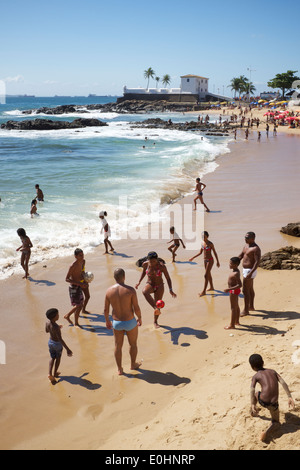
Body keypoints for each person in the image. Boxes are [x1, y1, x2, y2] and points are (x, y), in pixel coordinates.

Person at [249, 354, 295, 442]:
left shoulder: (256, 376)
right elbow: (283, 383)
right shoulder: (273, 371)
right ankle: (266, 432)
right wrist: (289, 397)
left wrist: (252, 404)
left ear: (252, 367)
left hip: (263, 401)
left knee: (256, 393)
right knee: (276, 422)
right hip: (274, 403)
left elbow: (252, 389)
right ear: (263, 362)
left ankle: (253, 411)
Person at [104, 268, 142, 375]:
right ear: (124, 276)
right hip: (130, 321)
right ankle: (133, 364)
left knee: (118, 346)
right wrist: (139, 317)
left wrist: (107, 321)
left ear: (114, 278)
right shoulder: (130, 290)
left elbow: (106, 309)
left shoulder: (109, 291)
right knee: (133, 344)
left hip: (117, 322)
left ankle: (120, 369)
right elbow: (136, 307)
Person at [136, 251, 176, 328]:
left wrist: (170, 289)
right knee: (145, 292)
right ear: (148, 259)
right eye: (151, 261)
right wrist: (139, 282)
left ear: (157, 260)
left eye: (154, 261)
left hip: (159, 286)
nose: (152, 263)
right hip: (150, 284)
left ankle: (155, 322)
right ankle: (155, 308)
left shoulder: (162, 266)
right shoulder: (145, 264)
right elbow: (144, 272)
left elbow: (168, 278)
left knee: (159, 304)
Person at [45, 308, 73, 384]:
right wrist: (68, 349)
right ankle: (55, 373)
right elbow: (60, 339)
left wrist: (56, 328)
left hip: (50, 342)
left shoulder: (47, 322)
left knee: (52, 357)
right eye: (57, 315)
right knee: (58, 358)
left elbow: (47, 331)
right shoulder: (56, 327)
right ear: (54, 317)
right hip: (57, 344)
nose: (58, 316)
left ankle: (49, 374)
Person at [189, 231, 220, 297]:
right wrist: (193, 257)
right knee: (208, 274)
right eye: (202, 236)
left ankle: (203, 292)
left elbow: (215, 252)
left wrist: (217, 261)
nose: (203, 238)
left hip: (210, 260)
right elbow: (200, 252)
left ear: (207, 236)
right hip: (205, 261)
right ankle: (211, 287)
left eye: (204, 236)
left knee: (205, 275)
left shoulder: (210, 244)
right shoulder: (202, 243)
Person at [238, 232, 261, 317]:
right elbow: (241, 255)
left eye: (247, 238)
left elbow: (257, 262)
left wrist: (250, 273)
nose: (245, 239)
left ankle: (246, 310)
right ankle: (251, 306)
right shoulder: (246, 246)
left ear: (253, 238)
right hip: (246, 270)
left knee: (245, 290)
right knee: (250, 288)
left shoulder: (256, 249)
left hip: (250, 270)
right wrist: (235, 261)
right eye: (245, 237)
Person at [64, 248, 87, 327]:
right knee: (78, 305)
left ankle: (76, 322)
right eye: (80, 255)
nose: (82, 256)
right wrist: (79, 283)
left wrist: (85, 280)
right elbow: (67, 279)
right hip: (73, 287)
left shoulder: (82, 262)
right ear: (76, 256)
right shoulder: (73, 266)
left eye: (83, 254)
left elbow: (81, 273)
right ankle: (68, 315)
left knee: (80, 305)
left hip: (79, 285)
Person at [224, 257, 242, 329]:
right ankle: (237, 321)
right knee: (236, 306)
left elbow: (240, 285)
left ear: (236, 264)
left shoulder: (236, 273)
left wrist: (229, 289)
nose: (229, 265)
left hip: (233, 291)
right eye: (229, 263)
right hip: (234, 290)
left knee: (233, 308)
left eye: (231, 264)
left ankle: (232, 325)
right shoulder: (235, 271)